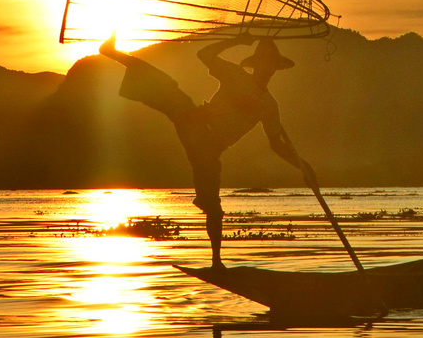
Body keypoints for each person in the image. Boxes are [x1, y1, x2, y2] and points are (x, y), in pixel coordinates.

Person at [98, 34, 313, 267]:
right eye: (262, 61)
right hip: (195, 122)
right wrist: (237, 40)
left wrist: (303, 165)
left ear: (275, 68)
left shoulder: (269, 105)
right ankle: (111, 52)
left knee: (214, 207)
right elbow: (204, 55)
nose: (266, 67)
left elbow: (276, 143)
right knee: (165, 85)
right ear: (256, 63)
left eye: (271, 63)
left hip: (210, 149)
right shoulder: (235, 74)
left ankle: (216, 262)